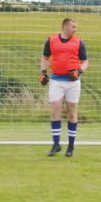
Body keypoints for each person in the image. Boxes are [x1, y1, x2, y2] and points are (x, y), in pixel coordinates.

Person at [40, 17, 89, 157]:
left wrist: (79, 71)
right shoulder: (51, 40)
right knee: (55, 109)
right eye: (73, 26)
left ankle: (71, 147)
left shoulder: (79, 42)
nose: (75, 29)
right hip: (56, 81)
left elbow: (85, 62)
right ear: (65, 27)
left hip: (73, 83)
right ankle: (56, 145)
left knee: (71, 112)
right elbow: (44, 57)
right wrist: (43, 73)